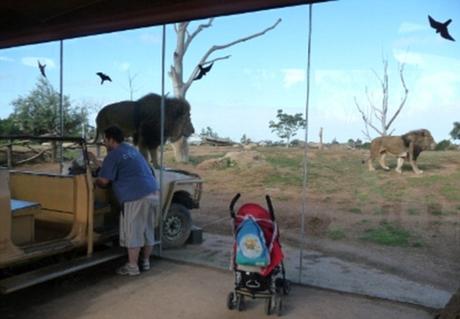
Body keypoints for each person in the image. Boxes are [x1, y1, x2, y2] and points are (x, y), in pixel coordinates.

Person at [88, 125, 159, 276]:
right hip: (153, 193)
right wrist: (94, 160)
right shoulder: (130, 150)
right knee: (147, 230)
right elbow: (114, 166)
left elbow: (105, 181)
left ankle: (132, 267)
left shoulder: (113, 155)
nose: (105, 143)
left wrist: (92, 180)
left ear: (111, 140)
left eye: (105, 140)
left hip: (135, 197)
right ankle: (145, 262)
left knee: (132, 232)